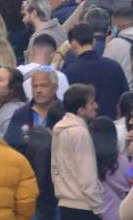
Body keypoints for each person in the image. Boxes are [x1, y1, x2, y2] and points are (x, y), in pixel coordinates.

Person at [52, 84, 101, 220]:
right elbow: (87, 175)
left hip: (65, 203)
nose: (96, 106)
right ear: (81, 110)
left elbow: (55, 168)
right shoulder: (80, 133)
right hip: (83, 206)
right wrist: (97, 207)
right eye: (92, 103)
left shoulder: (60, 131)